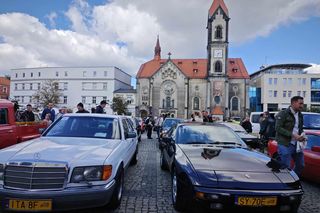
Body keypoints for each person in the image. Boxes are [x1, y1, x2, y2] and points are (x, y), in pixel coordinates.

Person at [275, 96, 306, 177]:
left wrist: (302, 136)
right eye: (300, 103)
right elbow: (277, 128)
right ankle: (285, 183)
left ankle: (292, 179)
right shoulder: (283, 113)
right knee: (286, 166)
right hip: (285, 143)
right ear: (293, 103)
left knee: (301, 165)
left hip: (297, 144)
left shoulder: (300, 115)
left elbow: (300, 128)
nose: (302, 106)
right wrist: (292, 135)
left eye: (302, 103)